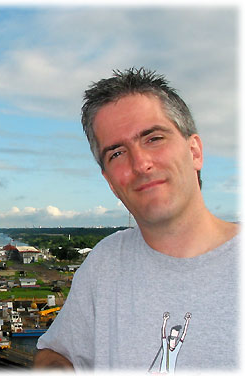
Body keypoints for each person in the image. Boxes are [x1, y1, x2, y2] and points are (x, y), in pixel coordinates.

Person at [34, 68, 239, 373]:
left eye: (154, 138)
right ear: (110, 181)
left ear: (194, 151)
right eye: (117, 153)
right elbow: (58, 353)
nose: (141, 164)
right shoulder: (105, 262)